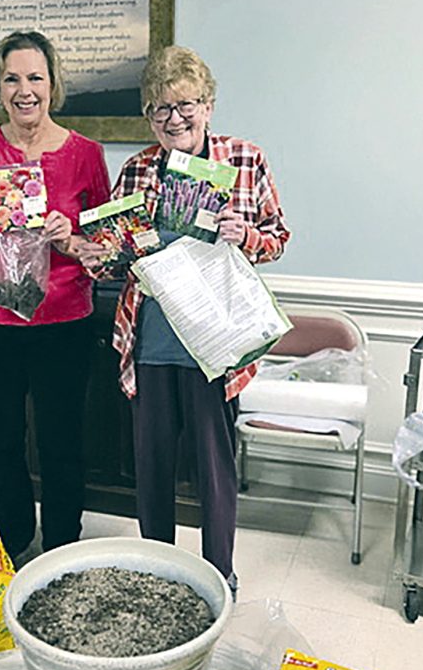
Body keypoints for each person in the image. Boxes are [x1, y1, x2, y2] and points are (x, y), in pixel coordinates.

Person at [78, 46, 290, 598]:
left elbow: (278, 238)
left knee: (214, 467)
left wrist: (246, 235)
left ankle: (219, 574)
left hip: (214, 343)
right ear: (148, 116)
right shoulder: (137, 169)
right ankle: (158, 569)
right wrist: (100, 255)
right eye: (159, 109)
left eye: (184, 105)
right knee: (151, 467)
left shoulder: (244, 160)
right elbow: (117, 255)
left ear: (208, 105)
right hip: (150, 340)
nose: (173, 119)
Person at [0, 30, 110, 565]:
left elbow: (105, 244)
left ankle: (61, 544)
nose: (24, 90)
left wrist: (70, 238)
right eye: (11, 79)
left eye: (35, 77)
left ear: (52, 84)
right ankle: (12, 538)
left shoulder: (86, 154)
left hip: (62, 320)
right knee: (1, 441)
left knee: (62, 440)